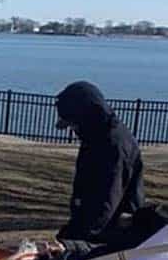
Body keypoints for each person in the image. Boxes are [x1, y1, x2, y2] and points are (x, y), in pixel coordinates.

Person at [55, 80, 145, 244]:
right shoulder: (96, 137)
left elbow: (106, 201)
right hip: (95, 229)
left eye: (74, 124)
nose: (73, 130)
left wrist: (76, 239)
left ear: (86, 116)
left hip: (111, 236)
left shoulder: (113, 145)